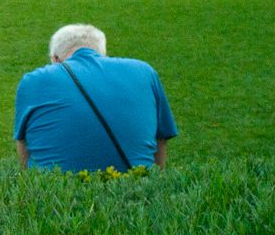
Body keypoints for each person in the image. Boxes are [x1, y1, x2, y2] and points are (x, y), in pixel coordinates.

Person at [14, 23, 177, 173]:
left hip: (58, 194)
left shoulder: (34, 80)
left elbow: (23, 144)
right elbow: (161, 139)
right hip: (133, 189)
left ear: (55, 59)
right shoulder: (144, 72)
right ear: (102, 54)